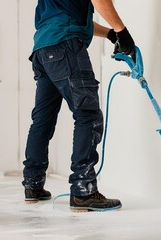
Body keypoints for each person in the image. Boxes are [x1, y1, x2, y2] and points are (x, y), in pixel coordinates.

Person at [22, 0, 135, 212]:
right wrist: (122, 32)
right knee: (87, 113)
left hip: (43, 50)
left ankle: (33, 184)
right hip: (65, 45)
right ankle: (84, 191)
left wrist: (111, 34)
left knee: (42, 120)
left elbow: (71, 16)